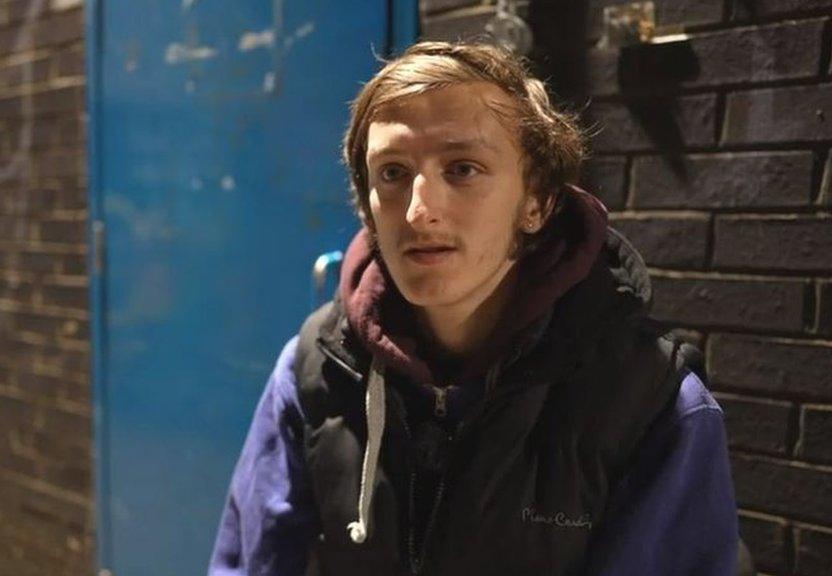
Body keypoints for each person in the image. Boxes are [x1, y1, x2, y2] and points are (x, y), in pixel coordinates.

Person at [208, 41, 740, 576]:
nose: (419, 211)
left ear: (537, 202)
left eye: (462, 168)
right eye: (391, 173)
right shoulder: (316, 372)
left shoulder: (650, 402)